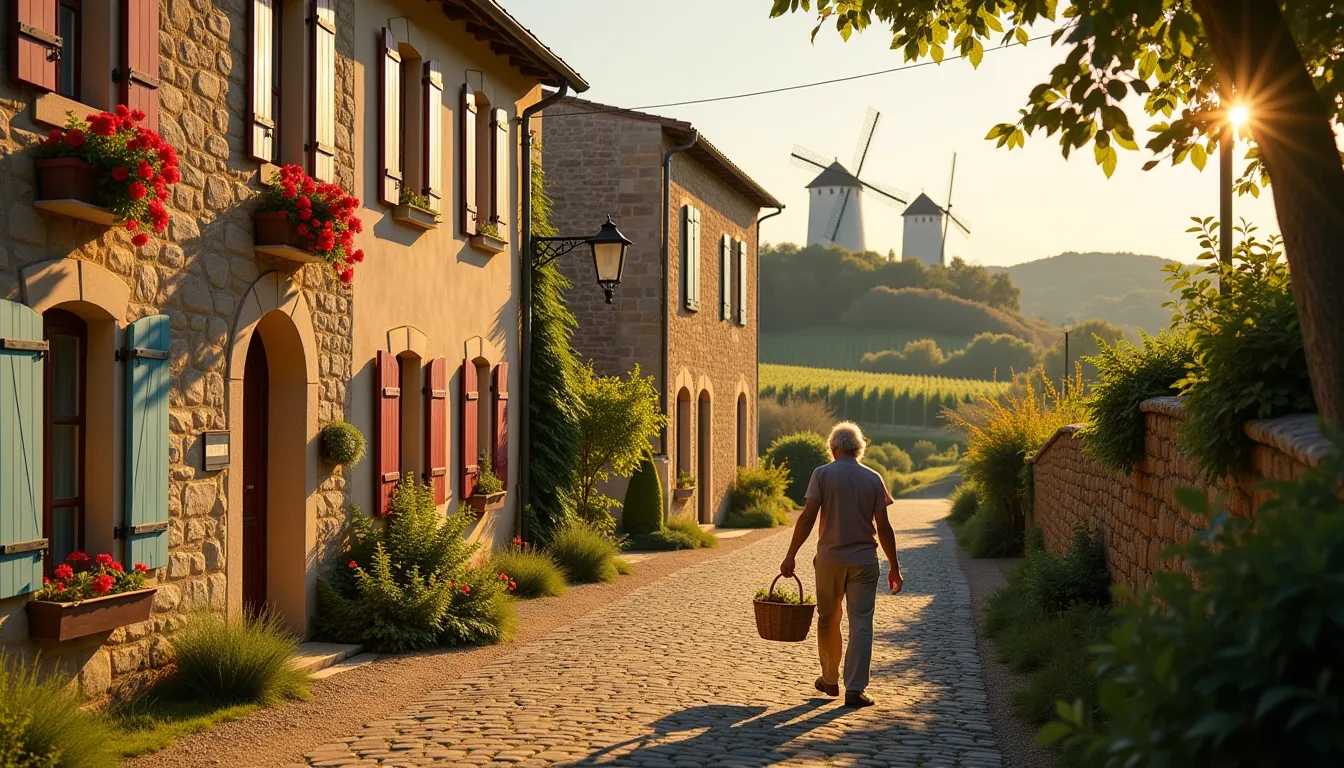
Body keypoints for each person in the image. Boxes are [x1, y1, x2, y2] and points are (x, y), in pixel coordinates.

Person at [779, 421, 902, 708]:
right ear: (859, 449)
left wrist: (791, 554)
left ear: (833, 449)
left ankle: (830, 679)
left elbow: (808, 518)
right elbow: (884, 527)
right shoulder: (874, 478)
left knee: (828, 618)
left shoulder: (821, 475)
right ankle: (855, 689)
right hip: (864, 562)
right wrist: (894, 566)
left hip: (829, 561)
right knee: (861, 624)